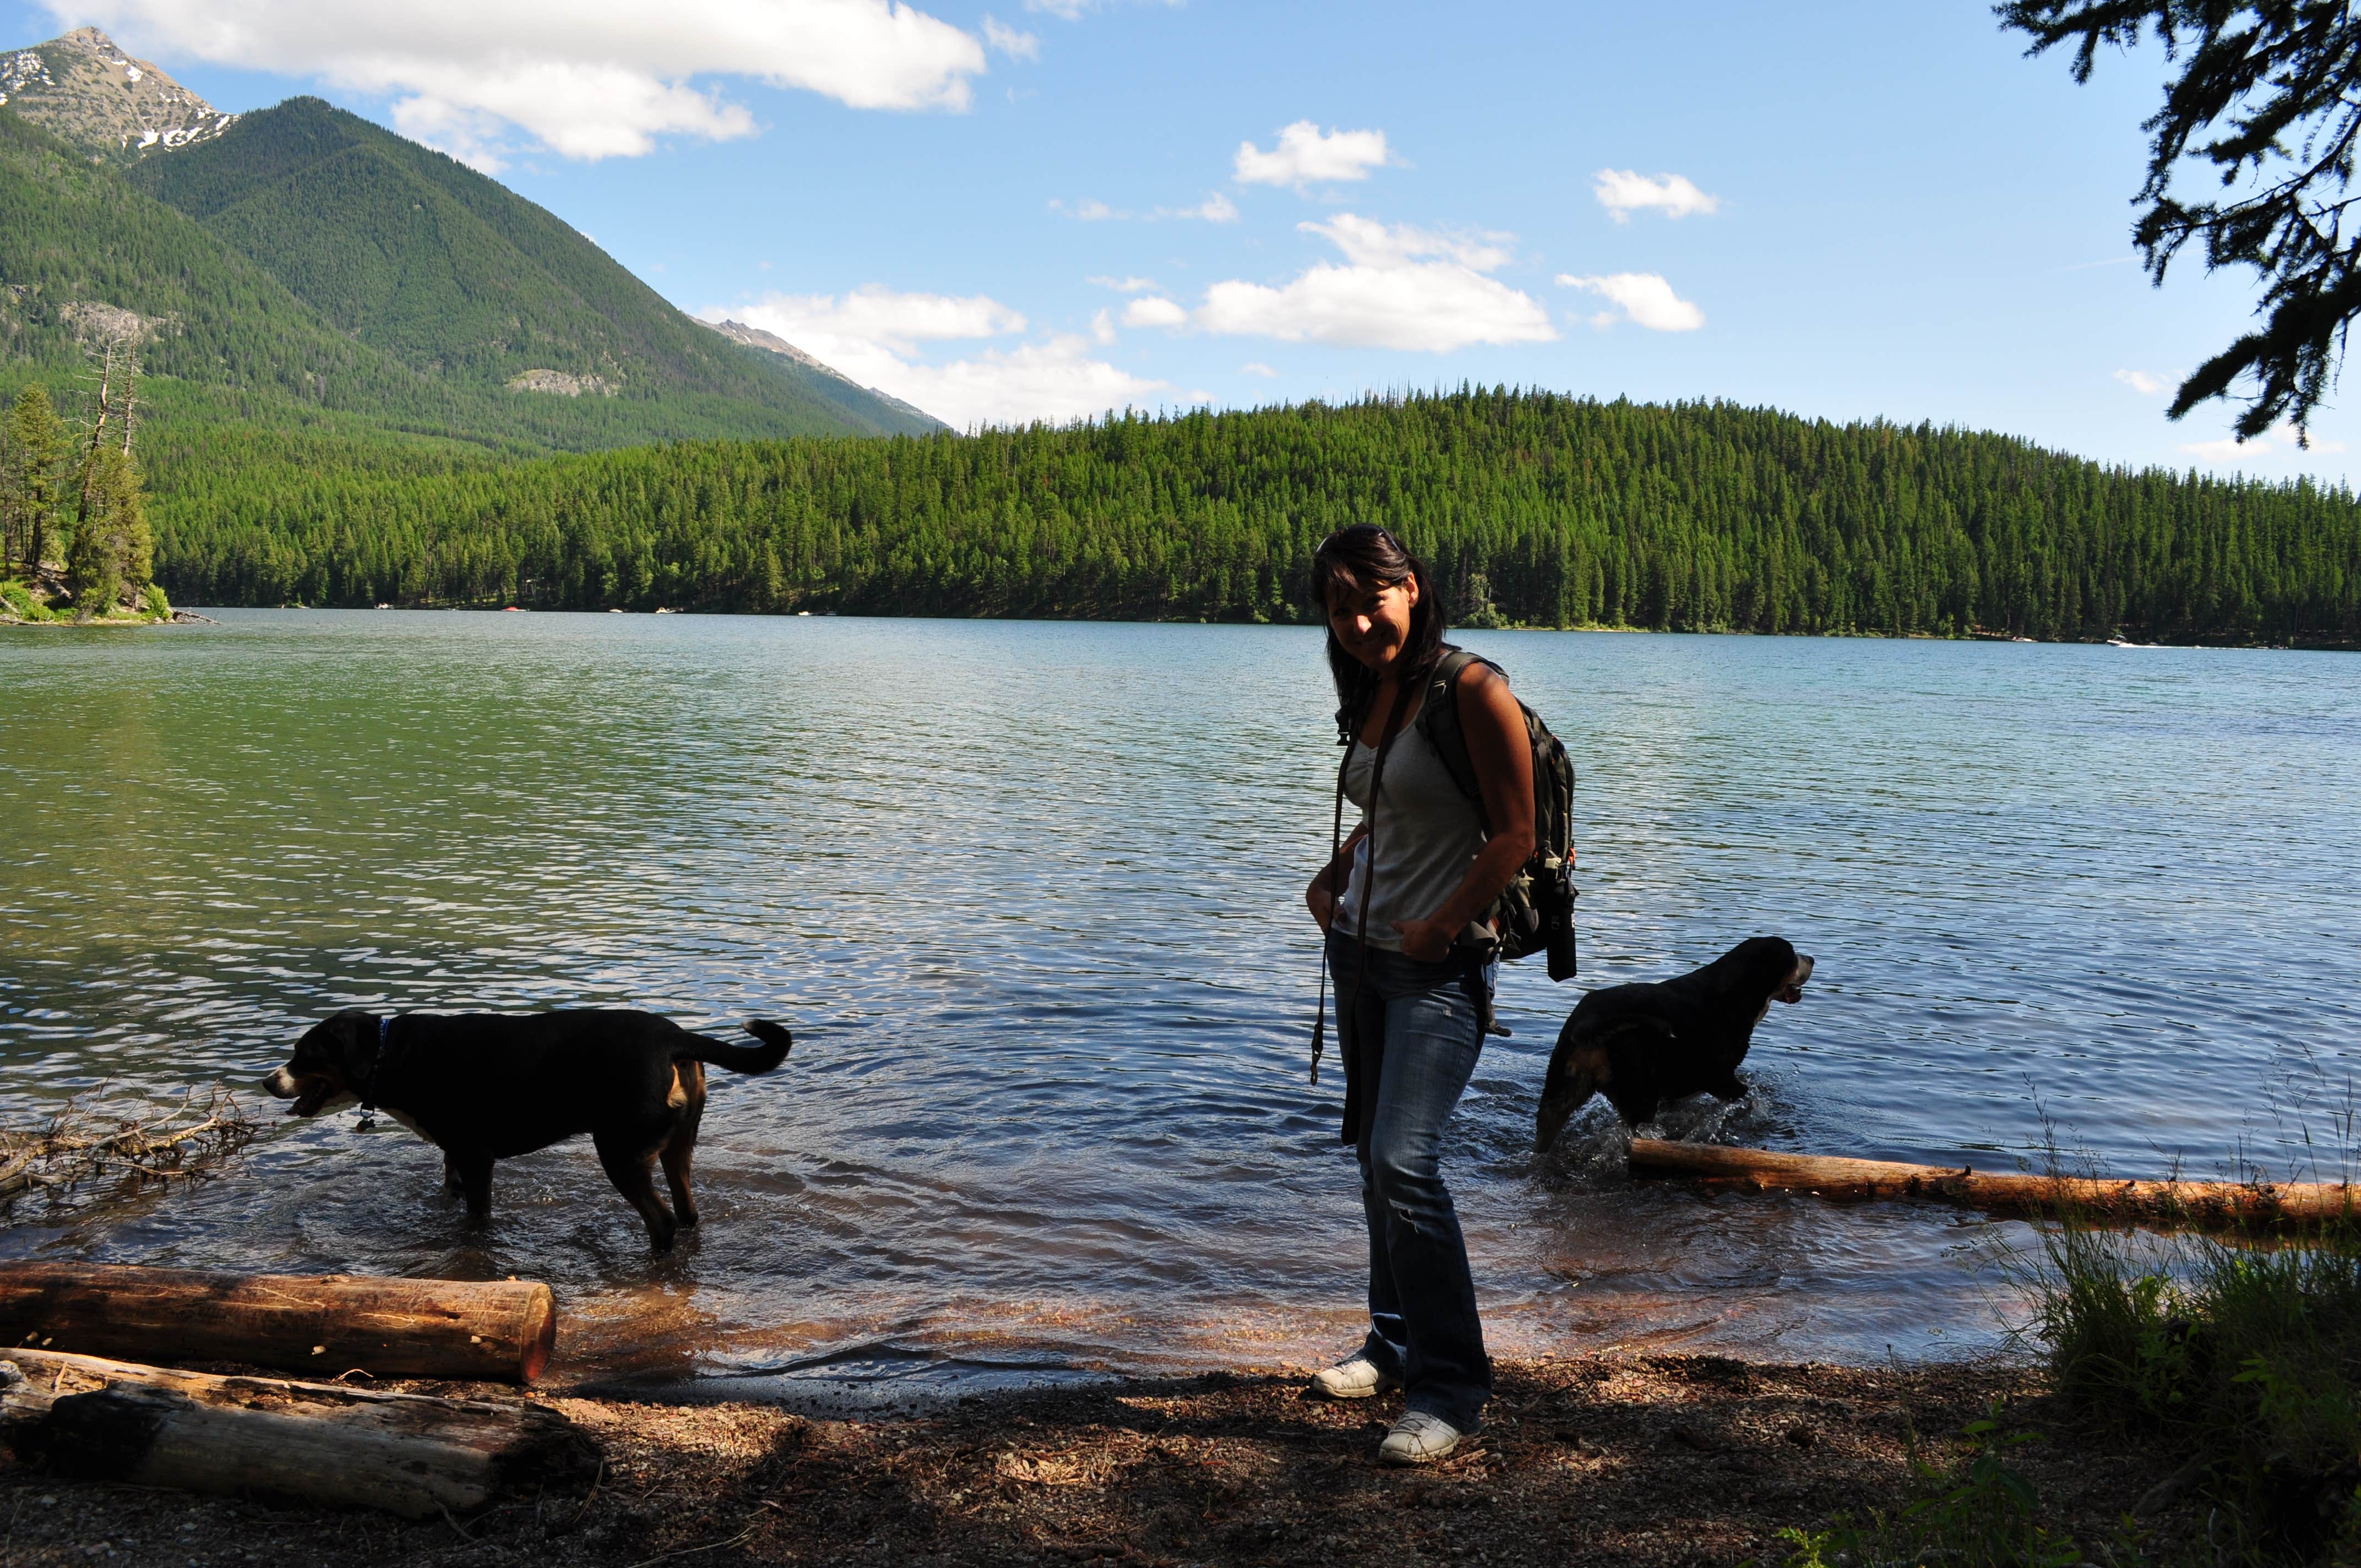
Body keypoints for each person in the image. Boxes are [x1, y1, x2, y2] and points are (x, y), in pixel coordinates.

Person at [1303, 525, 1535, 1466]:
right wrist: (1331, 880)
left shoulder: (1473, 689)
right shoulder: (1371, 691)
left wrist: (1444, 925)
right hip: (1357, 955)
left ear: (1414, 589)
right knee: (1372, 1160)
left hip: (1439, 968)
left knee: (1405, 1161)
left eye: (1374, 599)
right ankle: (1392, 1340)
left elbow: (1515, 833)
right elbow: (1387, 811)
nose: (1359, 621)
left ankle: (1452, 1388)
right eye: (1339, 607)